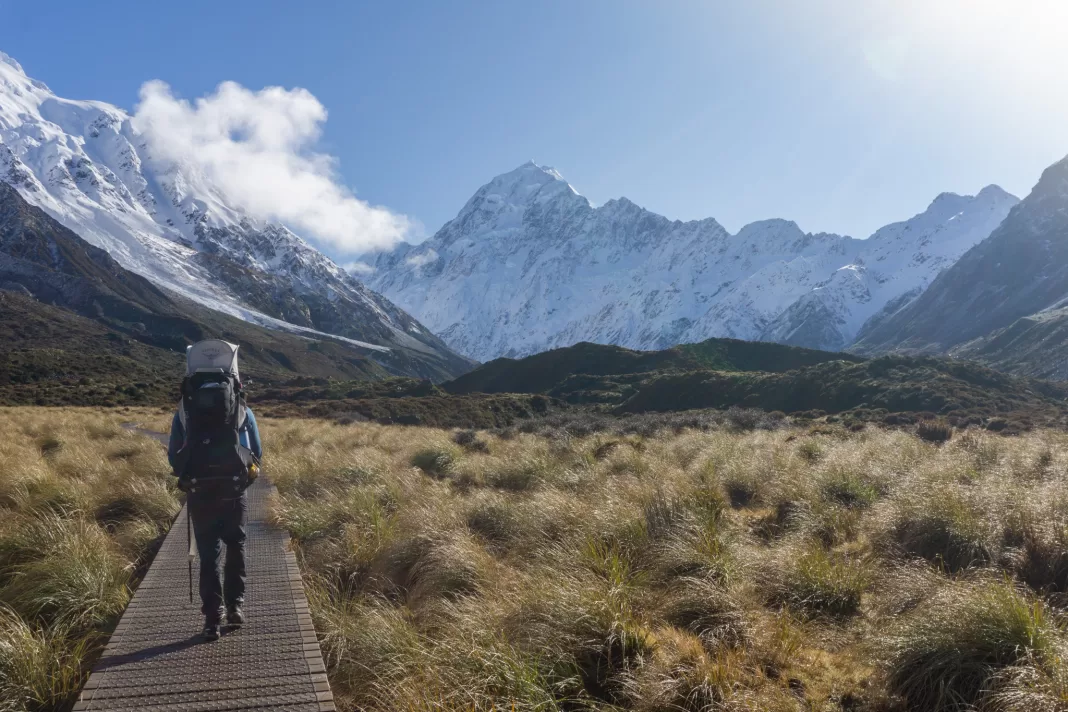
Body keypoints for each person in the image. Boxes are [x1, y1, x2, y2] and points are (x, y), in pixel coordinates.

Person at [168, 340, 263, 641]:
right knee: (236, 544)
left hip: (200, 492)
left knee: (209, 553)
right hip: (233, 488)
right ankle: (236, 607)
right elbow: (256, 451)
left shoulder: (185, 408)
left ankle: (212, 620)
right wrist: (247, 475)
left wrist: (189, 475)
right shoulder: (241, 407)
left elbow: (174, 455)